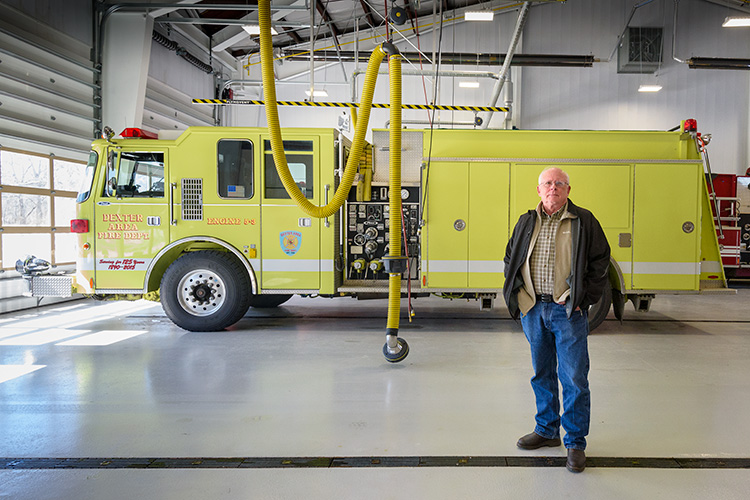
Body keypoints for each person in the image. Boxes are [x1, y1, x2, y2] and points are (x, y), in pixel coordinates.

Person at [502, 167, 610, 473]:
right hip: (534, 309)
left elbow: (600, 261)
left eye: (559, 184)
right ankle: (546, 430)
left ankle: (575, 442)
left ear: (568, 189)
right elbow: (511, 257)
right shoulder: (527, 221)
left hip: (568, 313)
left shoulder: (583, 221)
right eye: (548, 184)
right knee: (542, 372)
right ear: (538, 190)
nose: (553, 188)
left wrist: (583, 298)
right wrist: (520, 296)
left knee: (574, 377)